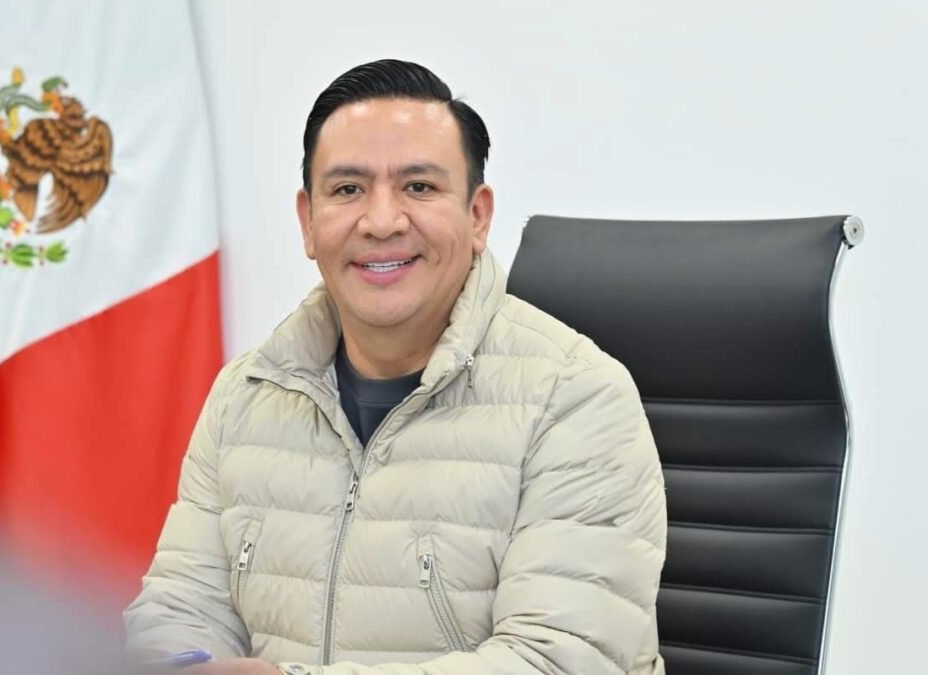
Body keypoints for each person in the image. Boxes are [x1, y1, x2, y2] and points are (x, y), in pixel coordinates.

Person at [124, 59, 667, 675]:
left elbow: (560, 662)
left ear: (478, 216)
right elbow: (180, 606)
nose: (381, 222)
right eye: (347, 190)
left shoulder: (577, 398)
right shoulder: (246, 394)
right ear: (308, 221)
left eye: (419, 187)